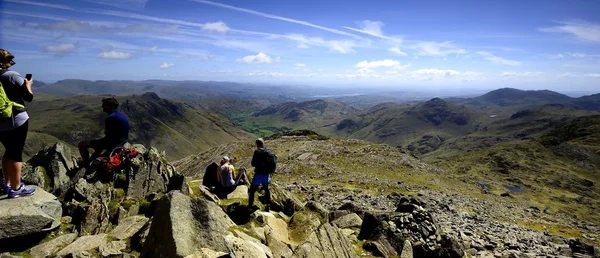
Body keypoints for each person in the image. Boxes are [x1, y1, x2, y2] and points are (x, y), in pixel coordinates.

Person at [0, 49, 35, 198]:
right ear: (5, 62)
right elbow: (28, 97)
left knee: (8, 151)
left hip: (0, 122)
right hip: (16, 120)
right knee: (16, 154)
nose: (11, 64)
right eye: (10, 61)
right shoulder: (12, 76)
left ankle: (7, 185)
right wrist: (28, 85)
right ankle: (16, 188)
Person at [78, 97, 130, 168]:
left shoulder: (110, 118)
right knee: (98, 146)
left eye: (104, 105)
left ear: (111, 106)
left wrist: (99, 146)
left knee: (82, 144)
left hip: (114, 143)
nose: (102, 106)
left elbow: (108, 136)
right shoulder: (120, 114)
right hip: (122, 141)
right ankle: (92, 158)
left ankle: (85, 164)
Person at [248, 138, 276, 212]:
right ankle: (268, 206)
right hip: (267, 175)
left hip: (259, 175)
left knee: (252, 190)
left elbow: (253, 164)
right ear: (263, 143)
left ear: (257, 144)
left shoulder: (257, 152)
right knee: (267, 190)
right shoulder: (269, 151)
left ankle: (250, 206)